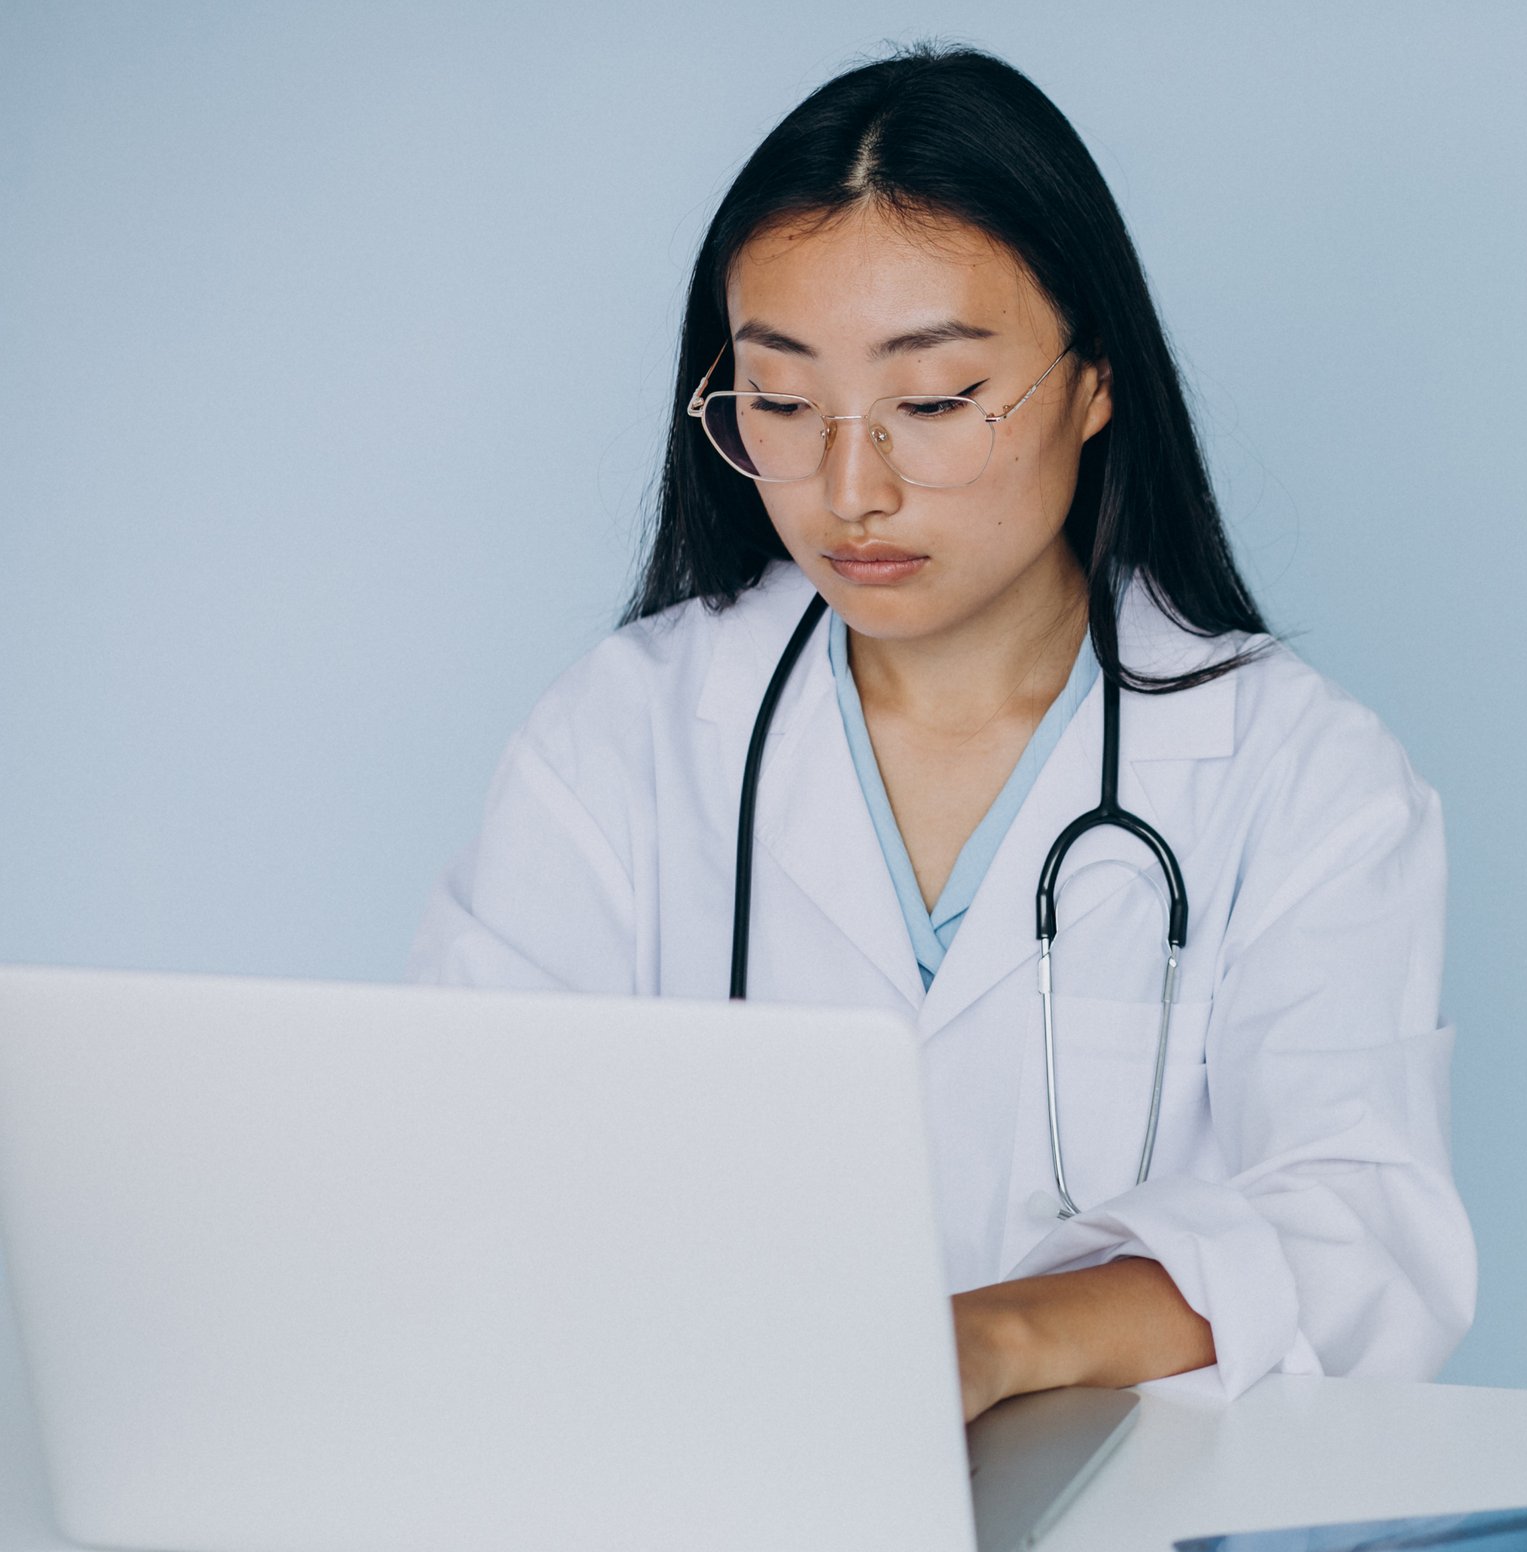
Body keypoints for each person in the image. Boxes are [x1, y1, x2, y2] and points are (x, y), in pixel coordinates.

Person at [411, 45, 1472, 1421]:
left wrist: (991, 1341)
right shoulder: (623, 735)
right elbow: (453, 1156)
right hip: (706, 1487)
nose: (853, 486)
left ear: (1095, 384)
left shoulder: (1299, 773)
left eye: (932, 402)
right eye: (783, 404)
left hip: (1123, 1527)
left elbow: (1365, 1237)